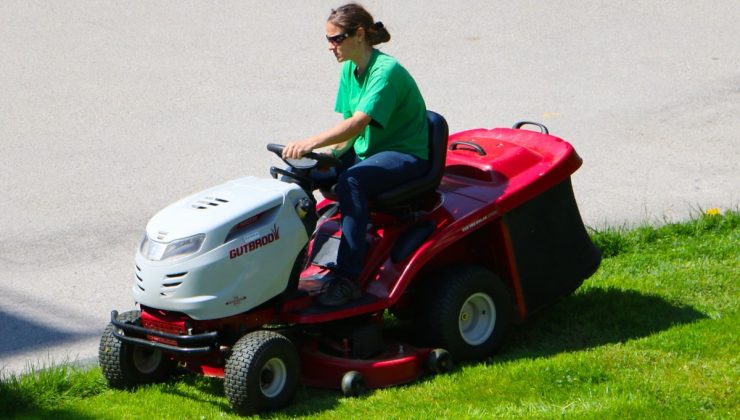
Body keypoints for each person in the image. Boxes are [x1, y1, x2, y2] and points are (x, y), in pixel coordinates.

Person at [282, 3, 429, 306]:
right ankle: (285, 271)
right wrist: (321, 160)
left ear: (359, 34)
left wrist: (311, 143)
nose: (330, 47)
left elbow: (357, 123)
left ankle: (348, 278)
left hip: (404, 154)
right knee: (303, 172)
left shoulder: (386, 72)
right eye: (328, 39)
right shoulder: (350, 67)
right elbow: (348, 133)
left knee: (351, 182)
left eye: (336, 39)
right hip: (368, 150)